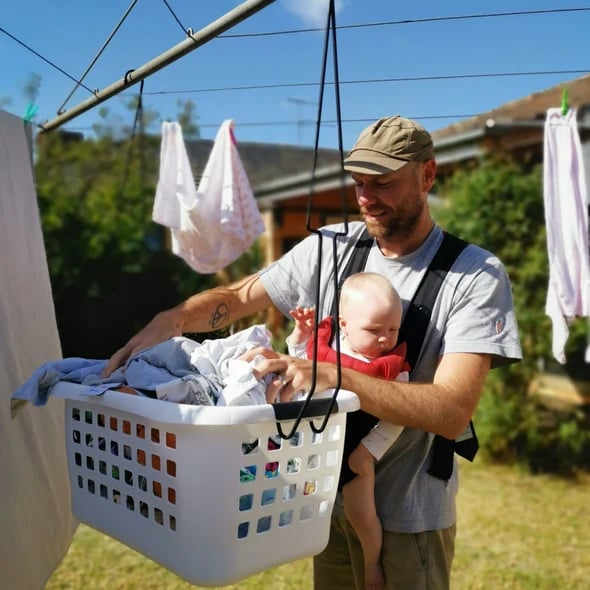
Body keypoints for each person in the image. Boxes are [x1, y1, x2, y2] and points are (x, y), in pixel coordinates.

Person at [103, 115, 522, 589]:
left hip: (409, 520)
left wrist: (328, 372)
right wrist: (174, 318)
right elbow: (240, 298)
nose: (365, 197)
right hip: (322, 504)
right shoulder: (332, 246)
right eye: (358, 182)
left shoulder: (475, 274)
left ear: (427, 175)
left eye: (381, 182)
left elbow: (451, 410)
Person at [286, 272, 410, 590]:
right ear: (343, 325)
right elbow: (300, 363)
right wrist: (300, 335)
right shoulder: (329, 345)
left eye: (393, 329)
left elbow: (397, 415)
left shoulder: (391, 367)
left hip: (356, 452)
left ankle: (371, 565)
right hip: (317, 445)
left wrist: (368, 453)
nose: (385, 339)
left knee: (362, 515)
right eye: (374, 330)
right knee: (300, 499)